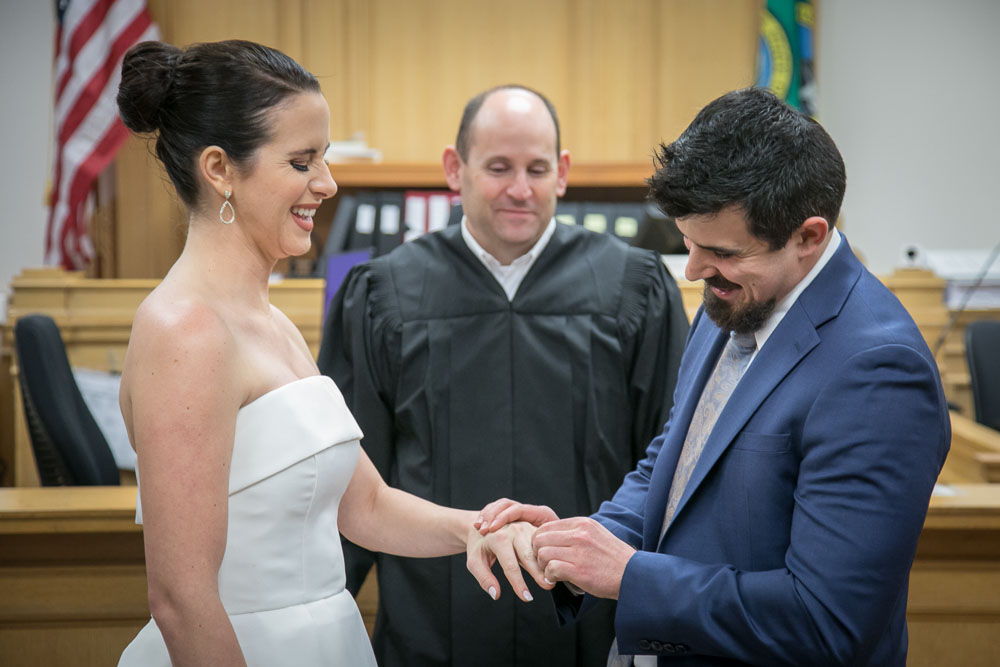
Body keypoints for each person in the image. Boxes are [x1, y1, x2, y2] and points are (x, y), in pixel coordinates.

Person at [480, 87, 951, 666]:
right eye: (688, 242)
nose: (696, 270)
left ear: (809, 237)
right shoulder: (737, 297)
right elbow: (675, 462)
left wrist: (630, 576)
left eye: (722, 251)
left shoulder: (878, 372)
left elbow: (827, 622)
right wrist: (580, 545)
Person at [114, 40, 537, 667]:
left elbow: (362, 505)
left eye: (325, 158)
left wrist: (478, 529)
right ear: (220, 169)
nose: (327, 183)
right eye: (301, 161)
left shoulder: (273, 322)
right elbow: (181, 599)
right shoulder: (185, 332)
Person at [318, 85, 689, 666]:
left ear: (562, 174)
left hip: (588, 629)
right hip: (431, 627)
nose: (520, 189)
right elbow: (351, 479)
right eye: (498, 167)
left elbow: (666, 463)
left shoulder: (631, 289)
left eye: (537, 168)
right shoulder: (385, 294)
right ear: (454, 169)